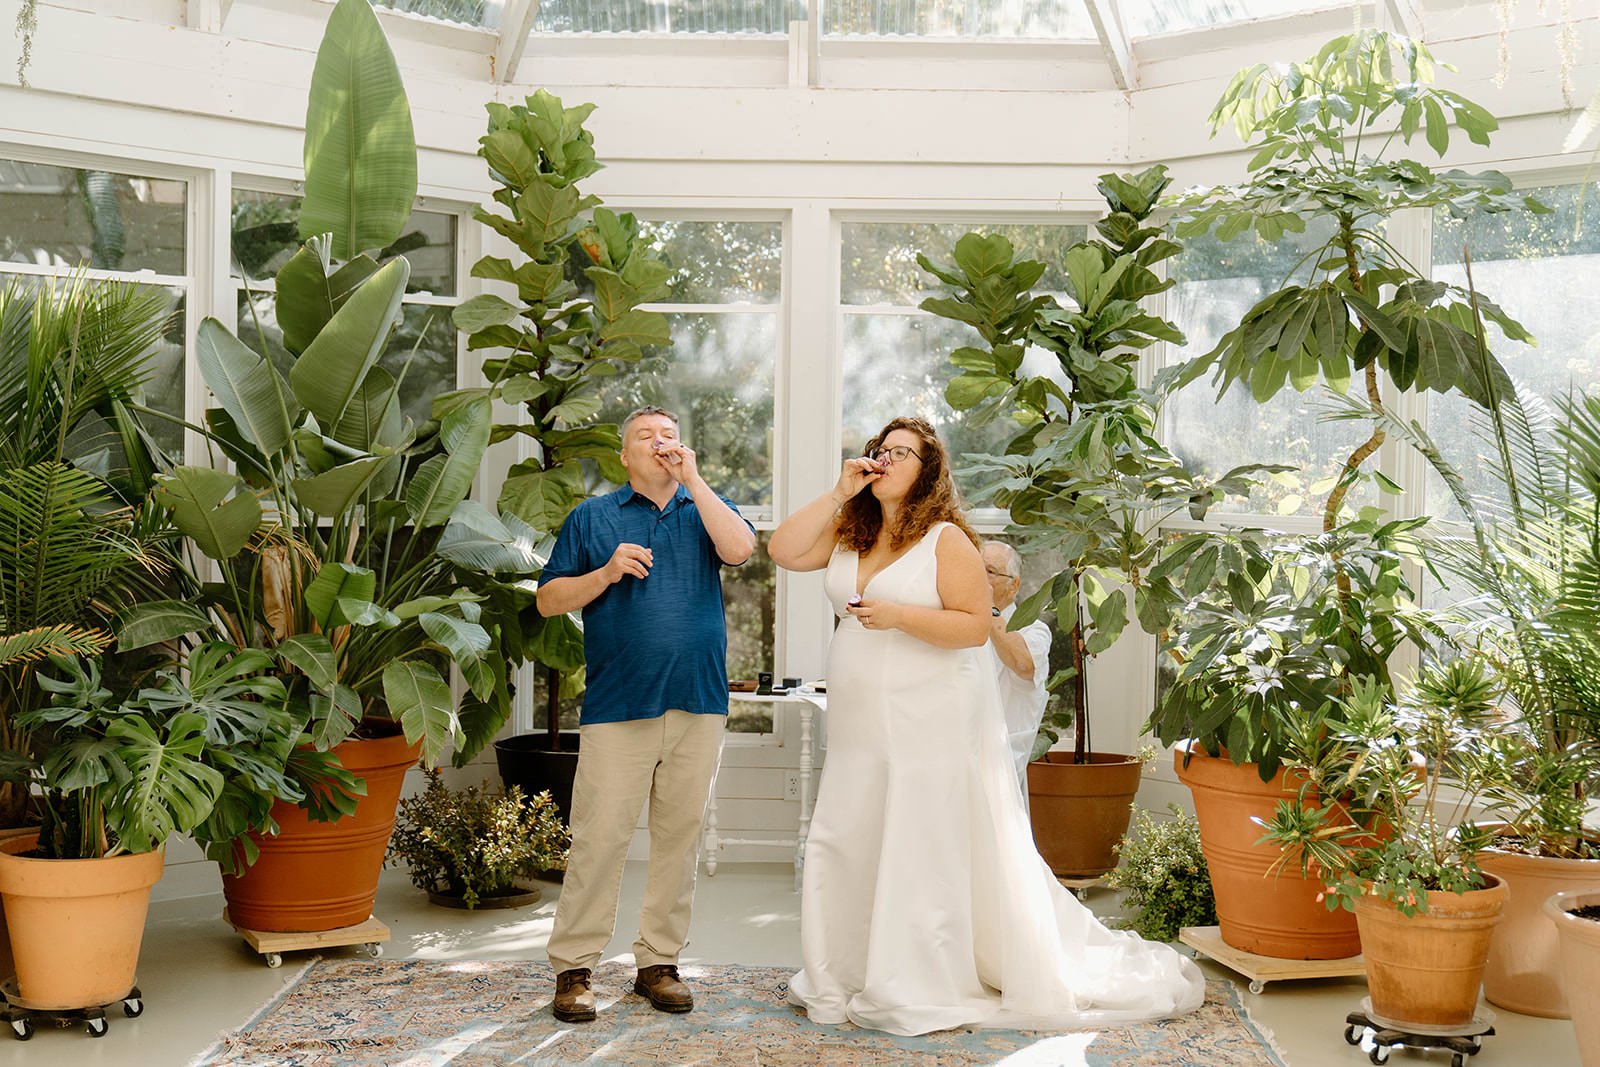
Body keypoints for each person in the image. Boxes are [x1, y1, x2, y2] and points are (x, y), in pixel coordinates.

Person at [768, 415, 1204, 1036]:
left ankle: (919, 974)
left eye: (902, 454)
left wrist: (898, 615)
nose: (886, 460)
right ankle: (849, 967)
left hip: (930, 712)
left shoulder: (946, 540)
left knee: (916, 837)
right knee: (853, 830)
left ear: (928, 474)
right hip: (863, 716)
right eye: (879, 451)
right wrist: (840, 492)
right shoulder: (850, 531)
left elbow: (973, 626)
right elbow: (783, 550)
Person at [536, 405, 757, 1024]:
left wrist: (696, 483)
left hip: (699, 700)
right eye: (645, 437)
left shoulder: (704, 508)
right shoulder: (593, 517)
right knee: (600, 839)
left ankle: (658, 963)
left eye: (669, 436)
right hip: (618, 703)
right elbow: (550, 599)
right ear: (624, 456)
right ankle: (574, 969)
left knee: (679, 839)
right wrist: (604, 574)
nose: (660, 444)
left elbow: (741, 548)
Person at [981, 540, 1053, 809]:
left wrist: (985, 607)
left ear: (1014, 584)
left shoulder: (1034, 631)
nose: (978, 578)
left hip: (999, 765)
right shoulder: (960, 624)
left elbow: (1023, 664)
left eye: (988, 571)